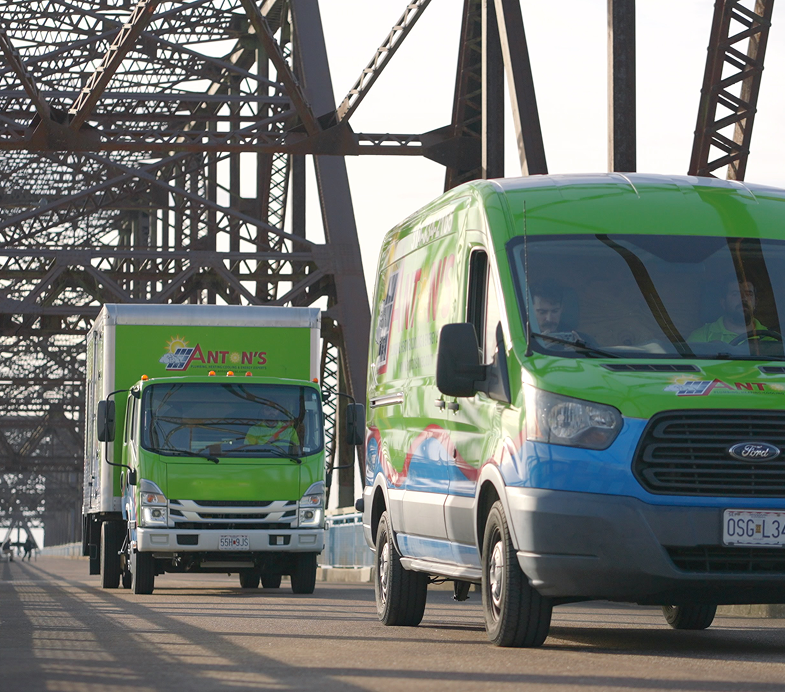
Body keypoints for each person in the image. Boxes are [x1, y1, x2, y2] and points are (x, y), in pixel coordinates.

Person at [689, 278, 767, 343]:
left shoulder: (771, 338)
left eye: (749, 294)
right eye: (735, 294)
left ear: (756, 302)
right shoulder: (702, 338)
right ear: (723, 302)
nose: (743, 298)